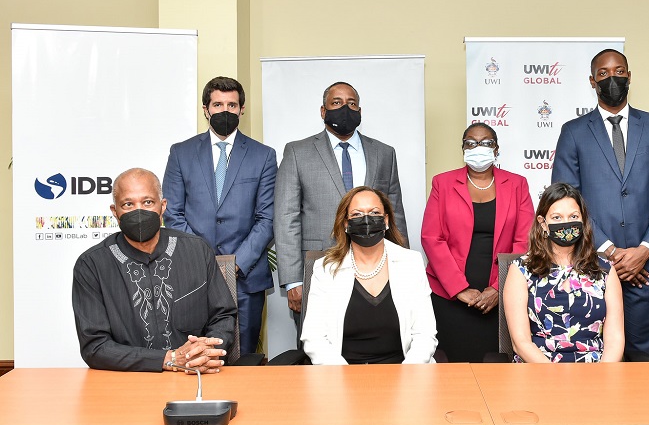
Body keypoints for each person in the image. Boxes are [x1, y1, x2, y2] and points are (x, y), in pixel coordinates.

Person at [551, 48, 649, 356]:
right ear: (592, 81)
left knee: (643, 361)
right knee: (590, 358)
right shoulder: (573, 132)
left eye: (619, 71)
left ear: (629, 76)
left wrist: (643, 251)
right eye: (603, 73)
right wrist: (611, 251)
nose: (612, 78)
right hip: (590, 266)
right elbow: (566, 202)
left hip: (648, 272)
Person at [72, 168, 235, 372]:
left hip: (195, 375)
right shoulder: (91, 265)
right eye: (128, 204)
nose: (139, 211)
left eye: (148, 202)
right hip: (128, 380)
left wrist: (205, 353)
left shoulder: (197, 250)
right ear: (115, 211)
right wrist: (168, 359)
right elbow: (95, 347)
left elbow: (223, 315)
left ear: (162, 206)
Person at [163, 76, 277, 355]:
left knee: (244, 357)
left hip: (245, 279)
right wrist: (203, 260)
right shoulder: (181, 153)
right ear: (206, 109)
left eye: (232, 105)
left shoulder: (263, 155)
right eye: (218, 105)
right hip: (194, 278)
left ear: (241, 109)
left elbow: (267, 218)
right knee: (197, 355)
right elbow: (173, 213)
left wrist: (235, 265)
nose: (225, 110)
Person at [274, 81, 407, 320]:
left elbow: (395, 213)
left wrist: (403, 268)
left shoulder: (384, 153)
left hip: (376, 269)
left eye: (351, 103)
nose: (345, 108)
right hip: (318, 267)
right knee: (318, 340)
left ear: (360, 111)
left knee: (375, 334)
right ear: (323, 111)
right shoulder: (297, 152)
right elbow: (286, 217)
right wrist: (293, 280)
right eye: (336, 103)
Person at [421, 122, 534, 362]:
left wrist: (499, 288)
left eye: (486, 143)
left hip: (501, 295)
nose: (478, 147)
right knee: (450, 367)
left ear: (496, 149)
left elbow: (524, 241)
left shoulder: (517, 184)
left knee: (495, 367)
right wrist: (459, 289)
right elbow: (431, 238)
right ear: (463, 148)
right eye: (471, 143)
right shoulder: (442, 183)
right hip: (449, 294)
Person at [300, 187, 436, 365]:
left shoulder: (411, 263)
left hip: (405, 371)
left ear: (386, 220)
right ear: (346, 223)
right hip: (341, 372)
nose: (366, 220)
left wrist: (408, 373)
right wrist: (343, 376)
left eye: (374, 213)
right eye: (357, 214)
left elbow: (425, 333)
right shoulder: (325, 269)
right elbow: (314, 337)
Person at [503, 183, 624, 363]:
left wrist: (603, 375)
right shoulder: (521, 270)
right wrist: (554, 376)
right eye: (557, 217)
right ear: (543, 223)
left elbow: (615, 340)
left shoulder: (605, 270)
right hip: (539, 370)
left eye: (573, 216)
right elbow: (521, 343)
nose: (566, 223)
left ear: (583, 220)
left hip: (595, 370)